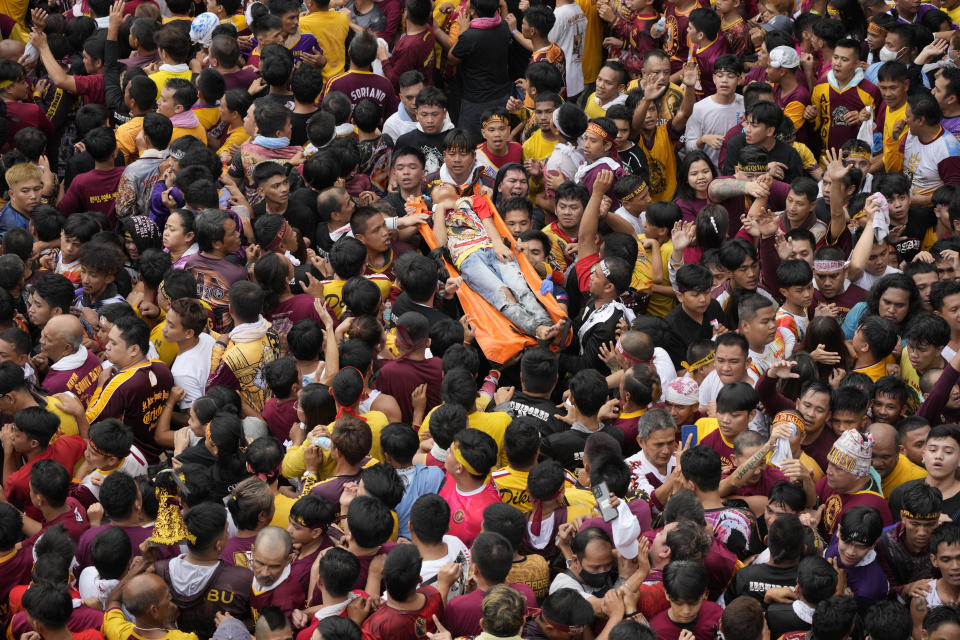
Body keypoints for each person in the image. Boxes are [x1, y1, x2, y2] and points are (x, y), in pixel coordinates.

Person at [85, 315, 174, 464]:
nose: (107, 346)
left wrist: (100, 385)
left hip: (132, 458)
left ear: (133, 349)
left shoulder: (120, 383)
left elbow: (89, 420)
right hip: (159, 453)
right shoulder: (162, 368)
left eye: (113, 343)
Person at [815, 429, 893, 537]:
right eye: (830, 463)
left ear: (858, 474)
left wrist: (812, 530)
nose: (828, 471)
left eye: (838, 468)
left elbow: (849, 550)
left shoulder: (869, 507)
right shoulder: (835, 481)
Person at [38, 314, 103, 405]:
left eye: (48, 339)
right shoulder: (90, 356)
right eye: (42, 334)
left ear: (67, 348)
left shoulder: (53, 385)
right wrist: (46, 371)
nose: (41, 341)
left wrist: (35, 375)